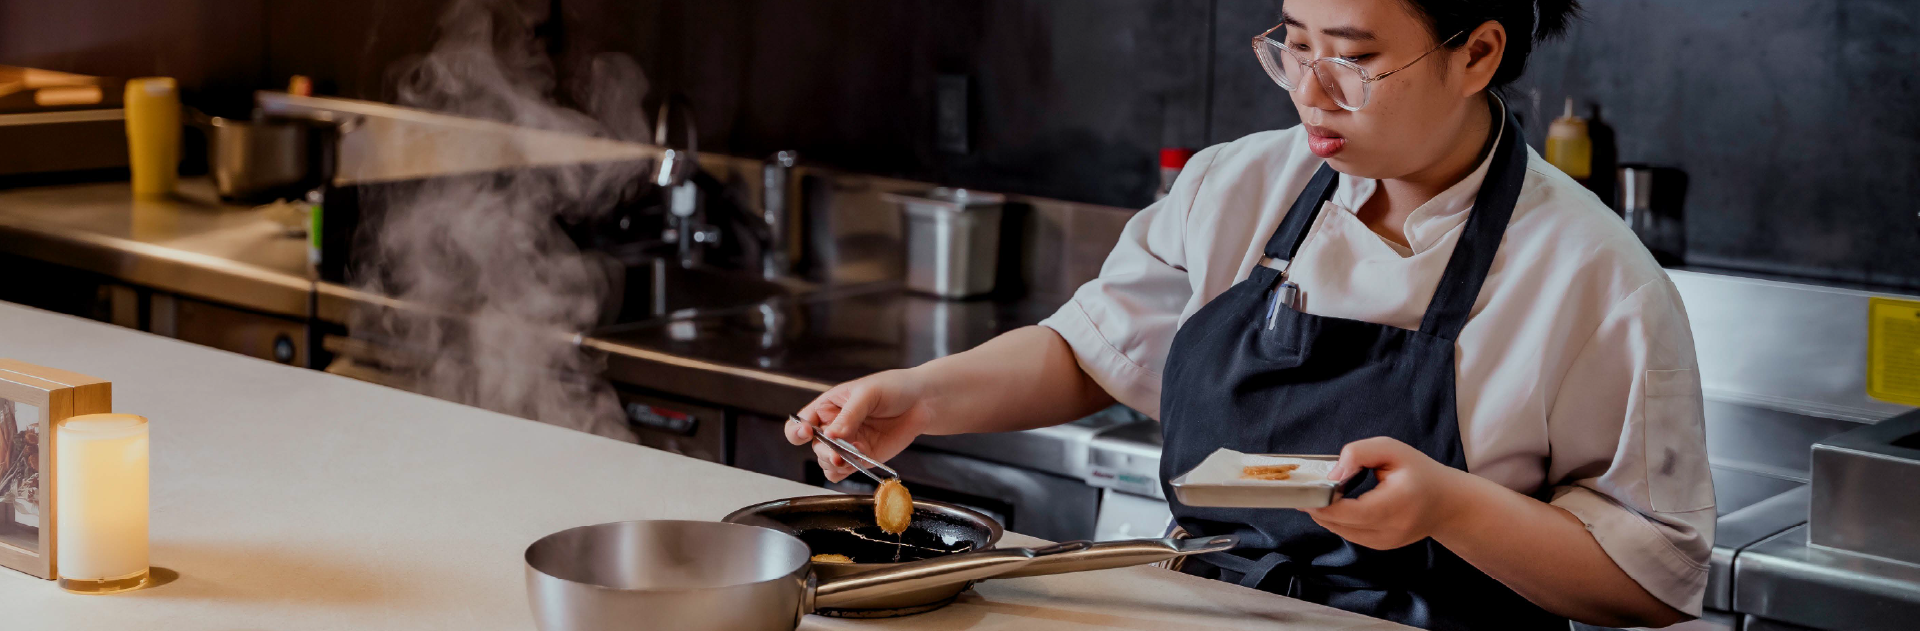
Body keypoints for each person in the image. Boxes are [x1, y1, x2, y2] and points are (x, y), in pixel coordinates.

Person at [787, 0, 1712, 628]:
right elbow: (1092, 350)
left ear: (1477, 53)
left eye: (1353, 57)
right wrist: (924, 396)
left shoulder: (1595, 274)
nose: (1310, 89)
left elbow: (1647, 582)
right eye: (1295, 43)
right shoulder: (1239, 182)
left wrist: (1449, 506)